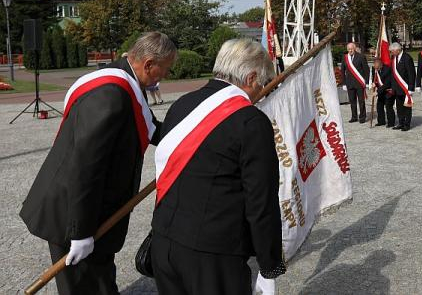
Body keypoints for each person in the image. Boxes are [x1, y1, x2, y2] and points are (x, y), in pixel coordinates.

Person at [20, 32, 176, 295]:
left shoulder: (125, 80)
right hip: (73, 215)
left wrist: (195, 133)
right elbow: (85, 169)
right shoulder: (111, 95)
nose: (166, 75)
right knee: (83, 288)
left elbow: (149, 128)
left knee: (101, 282)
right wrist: (79, 234)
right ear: (149, 63)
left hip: (93, 212)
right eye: (166, 68)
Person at [151, 38, 285, 294]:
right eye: (264, 83)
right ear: (252, 78)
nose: (262, 91)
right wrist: (270, 267)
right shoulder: (250, 121)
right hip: (212, 254)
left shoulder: (183, 104)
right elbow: (261, 201)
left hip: (164, 240)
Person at [341, 42, 370, 123]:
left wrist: (367, 82)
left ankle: (362, 117)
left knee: (361, 101)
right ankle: (354, 117)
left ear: (355, 48)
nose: (350, 51)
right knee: (352, 101)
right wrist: (343, 83)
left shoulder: (361, 56)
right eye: (348, 49)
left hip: (359, 83)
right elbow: (342, 71)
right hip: (349, 83)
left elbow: (366, 70)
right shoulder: (345, 57)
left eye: (351, 49)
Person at [389, 42, 415, 131]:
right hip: (396, 88)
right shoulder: (393, 58)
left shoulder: (407, 58)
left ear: (398, 50)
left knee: (407, 106)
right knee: (399, 106)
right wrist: (393, 87)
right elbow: (393, 74)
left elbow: (411, 74)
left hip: (406, 87)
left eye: (392, 51)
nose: (391, 53)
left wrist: (411, 88)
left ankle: (407, 124)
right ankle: (401, 122)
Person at [371, 57, 396, 127]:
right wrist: (374, 84)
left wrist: (377, 92)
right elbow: (375, 79)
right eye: (375, 67)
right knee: (379, 106)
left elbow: (387, 84)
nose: (376, 69)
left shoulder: (387, 70)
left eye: (377, 68)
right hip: (381, 92)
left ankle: (391, 123)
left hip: (389, 91)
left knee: (388, 107)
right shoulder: (375, 69)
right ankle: (381, 121)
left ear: (380, 64)